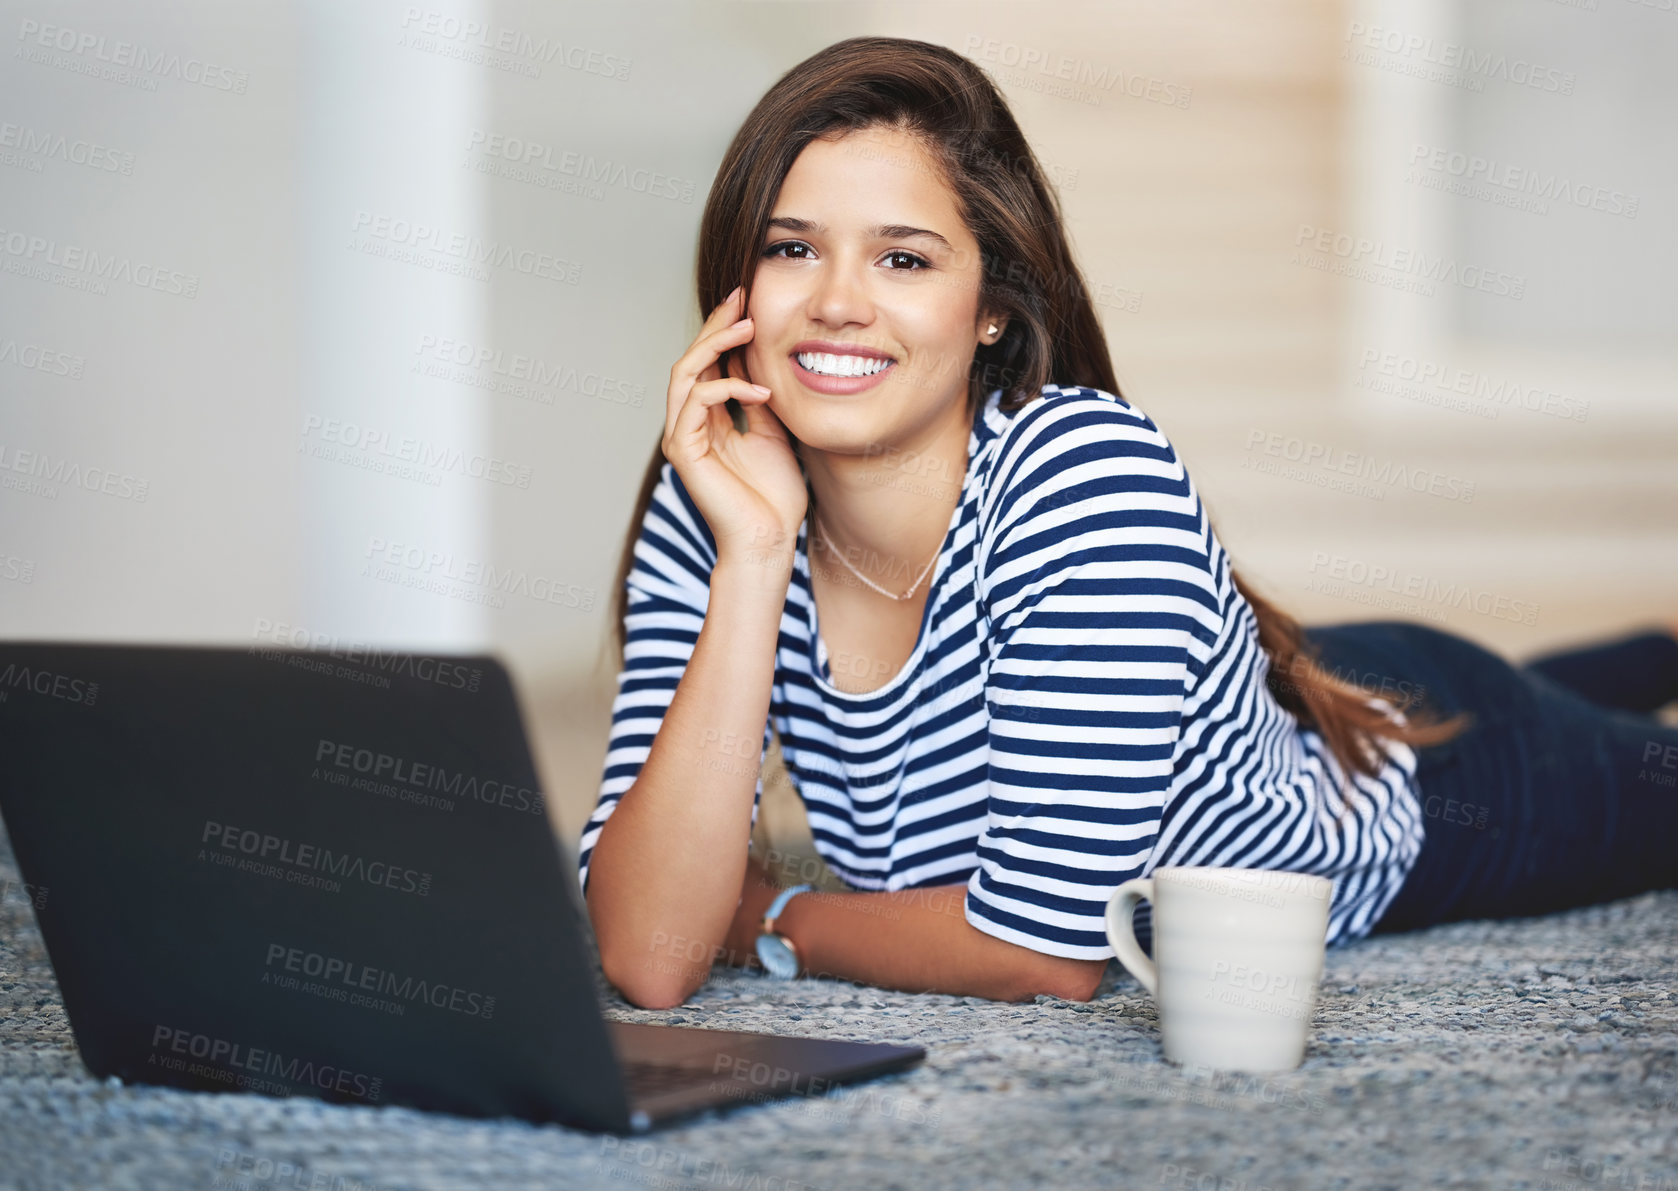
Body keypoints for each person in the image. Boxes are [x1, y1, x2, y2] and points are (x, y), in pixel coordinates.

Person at [576, 35, 1678, 1010]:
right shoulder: (721, 491)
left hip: (1442, 778)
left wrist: (777, 921)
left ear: (992, 307)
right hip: (1293, 684)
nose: (835, 302)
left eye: (902, 258)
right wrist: (756, 557)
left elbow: (1039, 951)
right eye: (790, 248)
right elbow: (653, 953)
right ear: (737, 291)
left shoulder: (1087, 478)